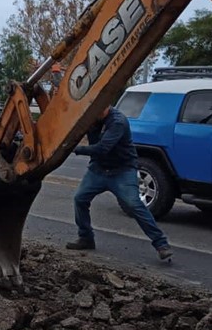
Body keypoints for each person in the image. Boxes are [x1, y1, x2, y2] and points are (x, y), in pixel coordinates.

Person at [67, 104, 173, 261]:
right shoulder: (91, 118)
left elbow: (103, 148)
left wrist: (75, 148)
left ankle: (161, 244)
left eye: (97, 109)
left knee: (134, 205)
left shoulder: (118, 122)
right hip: (98, 169)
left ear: (106, 106)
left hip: (122, 170)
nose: (93, 113)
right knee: (79, 199)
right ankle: (86, 238)